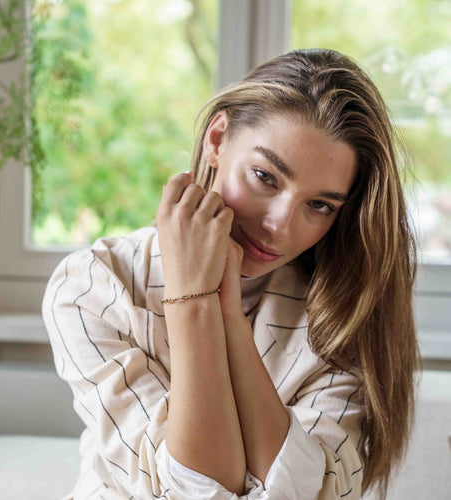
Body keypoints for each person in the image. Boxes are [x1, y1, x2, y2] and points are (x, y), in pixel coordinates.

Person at [41, 48, 420, 500]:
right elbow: (189, 492)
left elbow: (310, 494)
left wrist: (224, 315)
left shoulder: (342, 316)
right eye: (265, 176)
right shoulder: (93, 285)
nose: (279, 224)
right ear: (218, 139)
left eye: (319, 205)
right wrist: (191, 300)